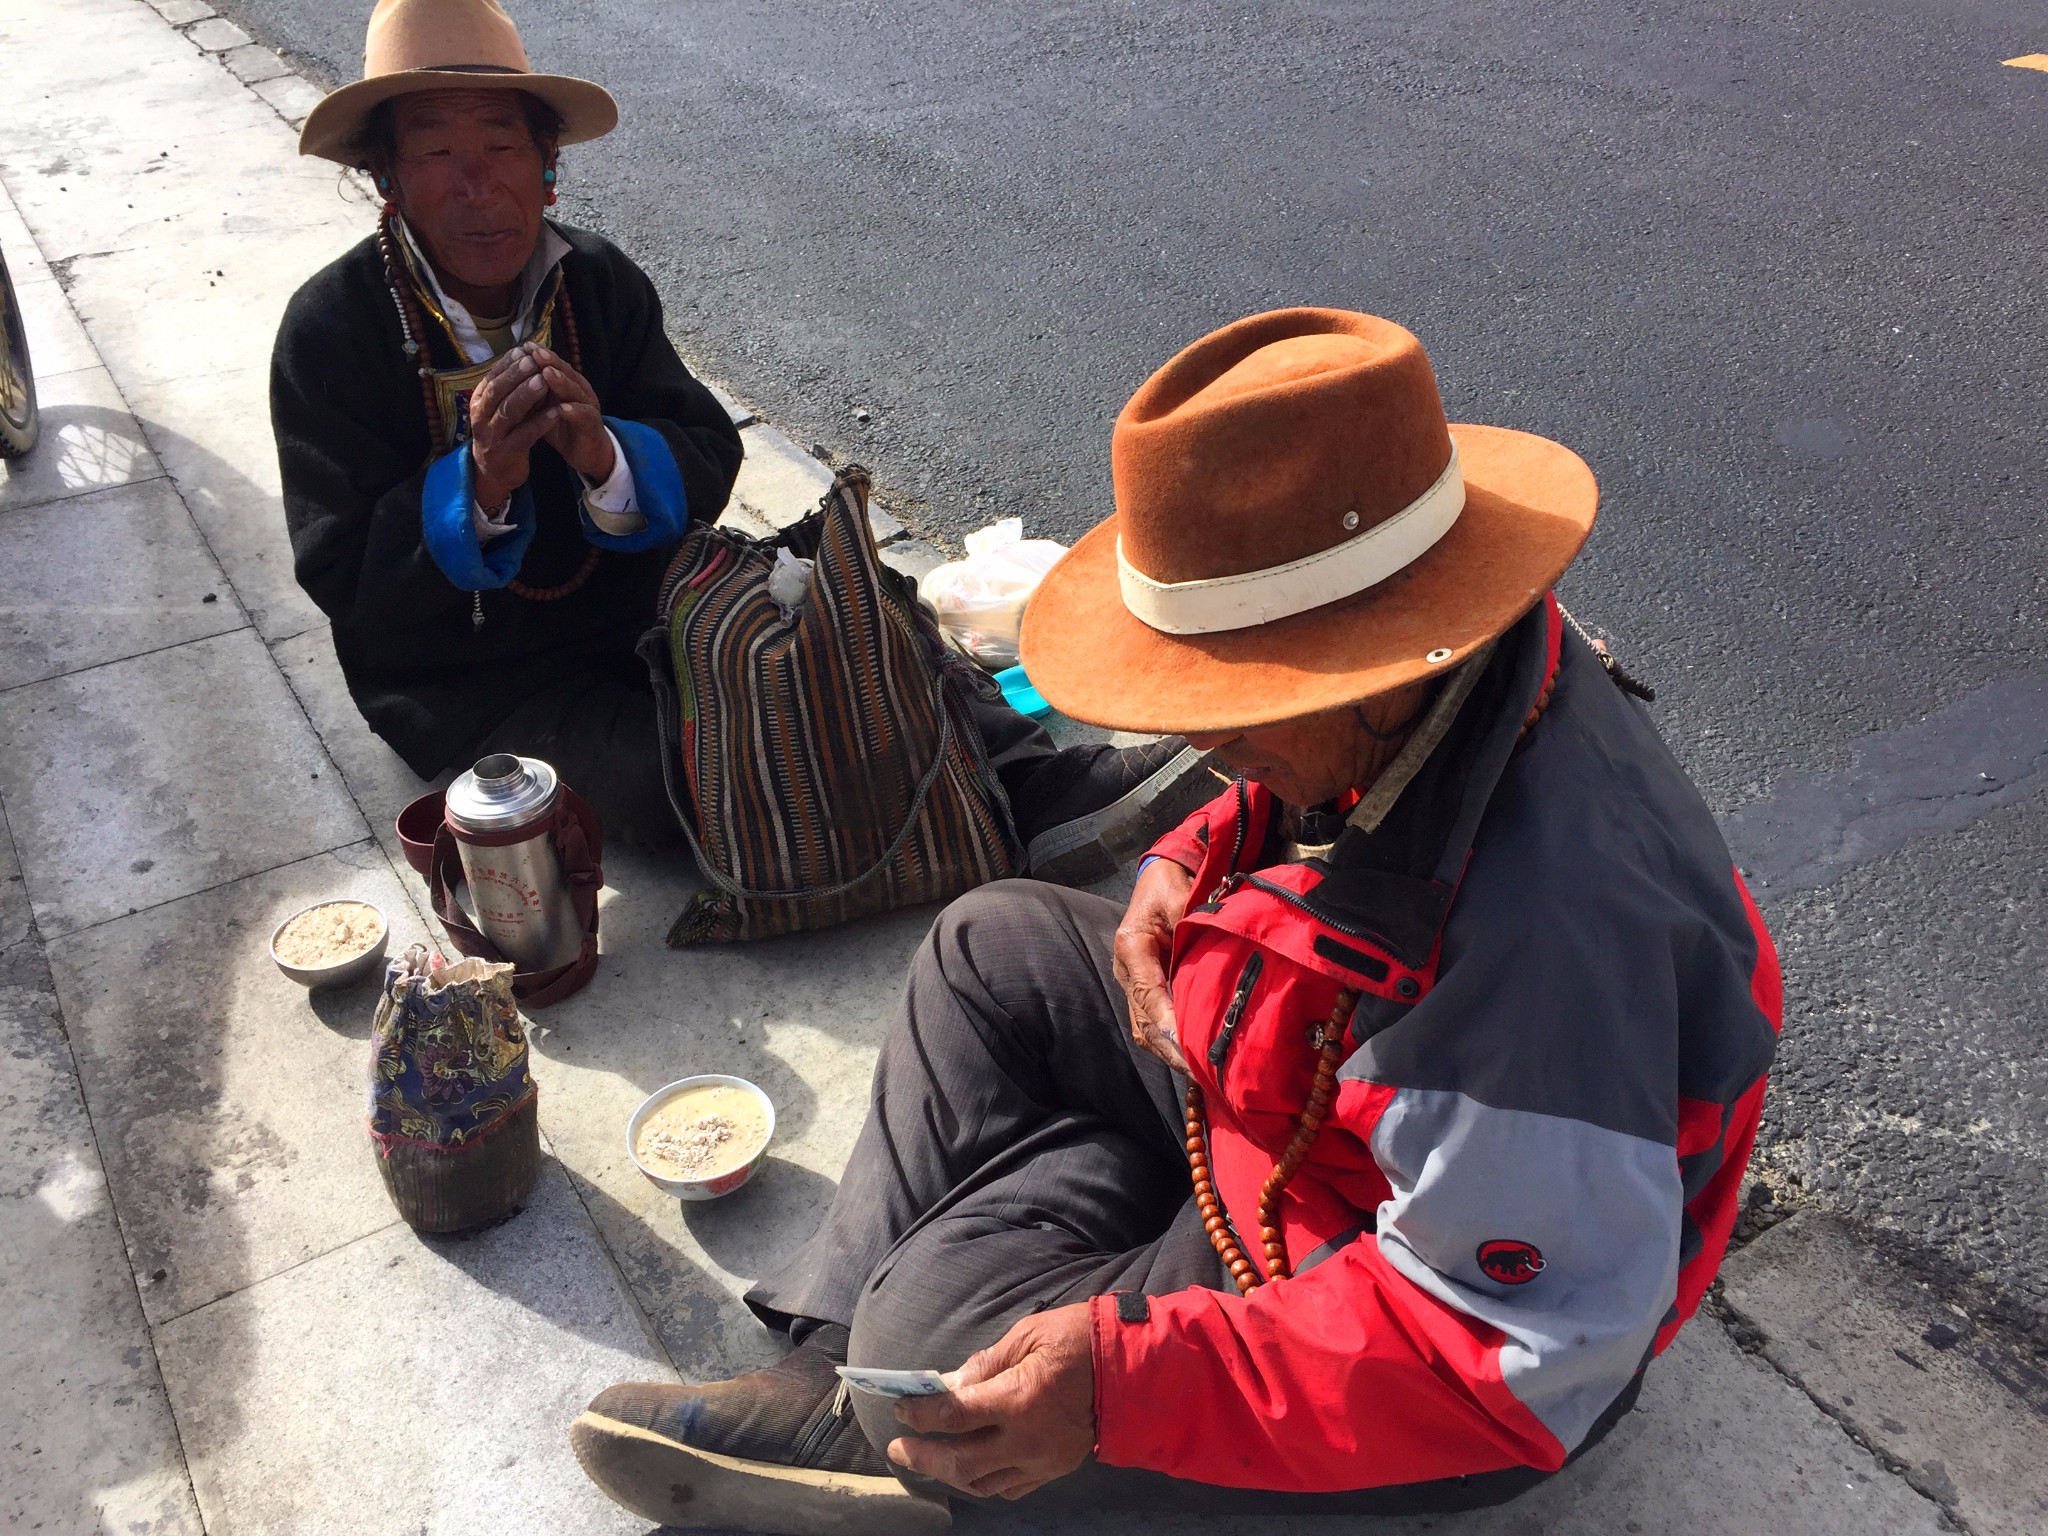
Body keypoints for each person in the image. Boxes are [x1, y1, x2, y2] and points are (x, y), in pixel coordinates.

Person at [568, 307, 1783, 1533]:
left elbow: (1504, 1354)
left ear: (1367, 658)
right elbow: (1310, 804)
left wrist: (1120, 1385)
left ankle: (900, 1398)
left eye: (1230, 694)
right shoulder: (1455, 655)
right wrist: (1186, 861)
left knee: (928, 1344)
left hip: (1399, 1285)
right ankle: (831, 1369)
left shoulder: (1547, 961)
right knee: (990, 943)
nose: (1199, 737)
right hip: (1301, 1100)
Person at [274, 0, 1211, 869]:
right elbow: (341, 572)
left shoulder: (597, 282)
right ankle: (976, 829)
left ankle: (1034, 780)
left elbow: (704, 447)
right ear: (387, 177)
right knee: (707, 770)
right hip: (482, 684)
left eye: (501, 145)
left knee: (869, 608)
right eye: (436, 151)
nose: (478, 183)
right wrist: (479, 483)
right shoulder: (330, 331)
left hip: (646, 609)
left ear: (547, 164)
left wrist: (604, 457)